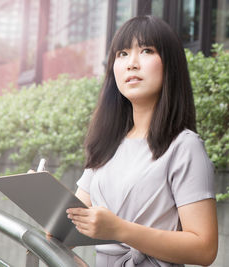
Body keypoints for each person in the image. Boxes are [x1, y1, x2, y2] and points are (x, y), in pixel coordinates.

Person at [65, 15, 218, 267]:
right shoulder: (107, 144)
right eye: (122, 54)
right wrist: (38, 193)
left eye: (146, 50)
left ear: (170, 65)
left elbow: (204, 249)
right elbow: (68, 228)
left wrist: (120, 230)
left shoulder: (184, 146)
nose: (131, 64)